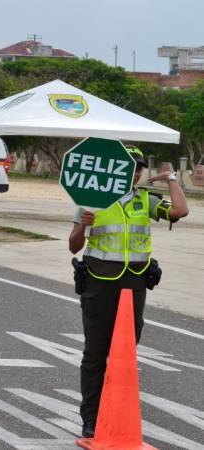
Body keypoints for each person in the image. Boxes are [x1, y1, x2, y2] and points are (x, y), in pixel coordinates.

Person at [68, 145, 188, 438]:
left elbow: (180, 210)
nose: (133, 172)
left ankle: (117, 413)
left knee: (125, 353)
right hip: (98, 281)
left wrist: (171, 177)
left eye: (137, 167)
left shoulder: (145, 199)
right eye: (126, 165)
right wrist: (83, 227)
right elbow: (73, 245)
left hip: (133, 284)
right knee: (96, 352)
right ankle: (91, 417)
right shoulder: (91, 200)